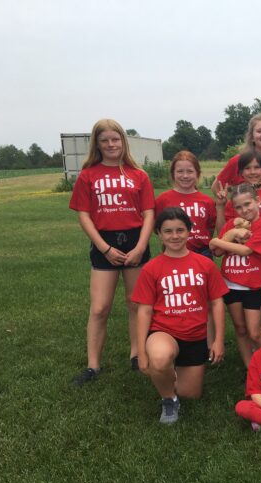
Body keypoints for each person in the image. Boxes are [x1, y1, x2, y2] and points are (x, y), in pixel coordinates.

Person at [69, 119, 155, 385]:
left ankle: (136, 353)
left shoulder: (138, 174)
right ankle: (93, 366)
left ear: (123, 141)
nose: (110, 145)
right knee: (100, 308)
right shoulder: (88, 175)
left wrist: (141, 246)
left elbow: (149, 212)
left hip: (135, 240)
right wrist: (104, 248)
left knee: (136, 303)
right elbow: (84, 215)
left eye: (115, 139)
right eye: (104, 140)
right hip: (103, 243)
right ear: (97, 144)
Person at [132, 208, 227, 424]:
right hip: (164, 332)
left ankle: (168, 375)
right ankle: (168, 398)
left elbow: (217, 303)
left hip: (195, 337)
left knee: (191, 394)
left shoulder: (205, 265)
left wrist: (218, 340)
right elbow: (144, 311)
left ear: (189, 231)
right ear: (159, 234)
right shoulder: (152, 268)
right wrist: (141, 353)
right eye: (168, 231)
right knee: (160, 357)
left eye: (180, 230)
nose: (174, 236)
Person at [210, 184, 261, 367]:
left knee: (254, 332)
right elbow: (217, 252)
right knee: (240, 328)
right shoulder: (231, 225)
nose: (244, 210)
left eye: (247, 204)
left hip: (251, 285)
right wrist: (233, 233)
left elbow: (246, 250)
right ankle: (250, 367)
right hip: (230, 284)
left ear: (257, 201)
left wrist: (218, 240)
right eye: (238, 207)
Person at [217, 149, 261, 308]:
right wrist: (221, 208)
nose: (253, 172)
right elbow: (223, 232)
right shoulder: (235, 200)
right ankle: (254, 328)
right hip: (243, 249)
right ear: (241, 172)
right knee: (250, 299)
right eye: (247, 168)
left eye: (257, 167)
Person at [155, 151, 216, 258]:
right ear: (173, 173)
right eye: (180, 171)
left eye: (190, 171)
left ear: (197, 173)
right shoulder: (163, 199)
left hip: (202, 253)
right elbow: (157, 227)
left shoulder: (207, 201)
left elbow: (210, 229)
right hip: (172, 252)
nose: (185, 176)